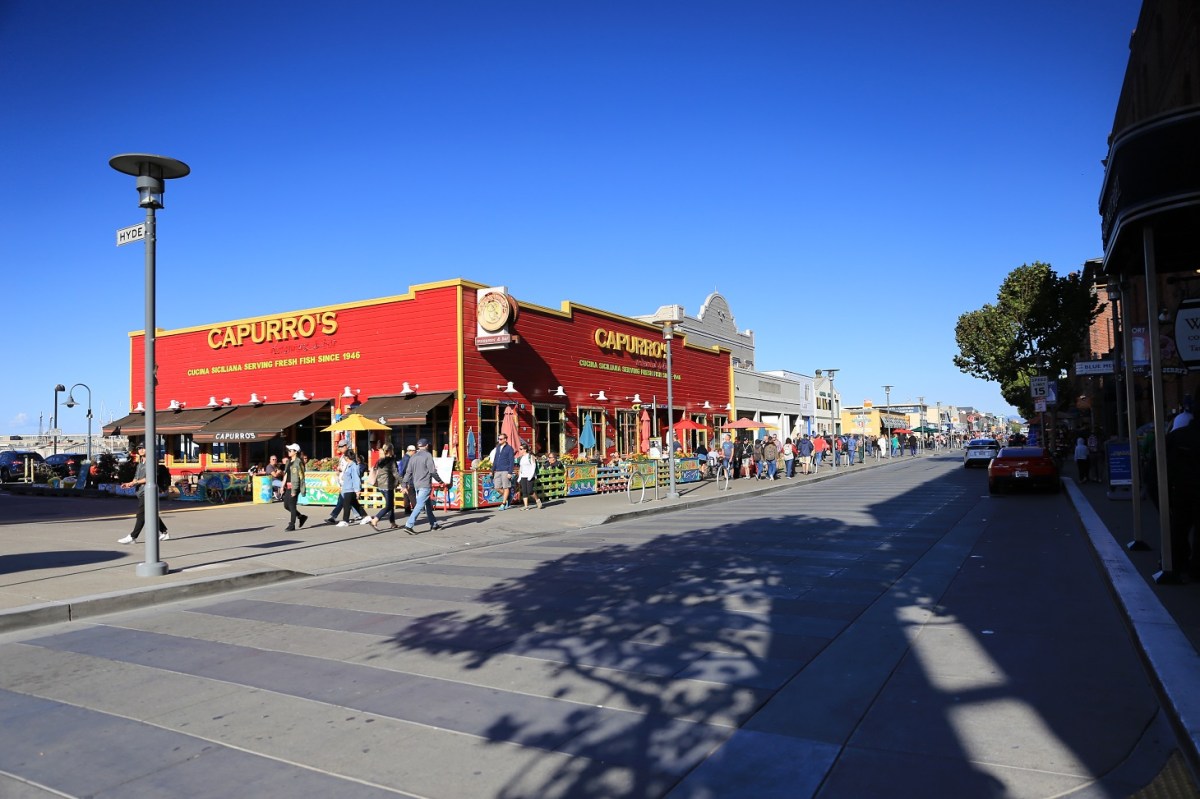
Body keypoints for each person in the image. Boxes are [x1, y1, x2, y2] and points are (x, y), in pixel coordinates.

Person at [117, 443, 168, 544]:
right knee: (151, 513)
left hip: (148, 492)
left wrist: (135, 482)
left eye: (142, 448)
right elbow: (136, 477)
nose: (140, 450)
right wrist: (129, 484)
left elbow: (150, 478)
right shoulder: (140, 464)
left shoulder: (152, 462)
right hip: (140, 491)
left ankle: (133, 536)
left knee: (141, 514)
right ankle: (164, 532)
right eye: (139, 448)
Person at [402, 438, 443, 534]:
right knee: (420, 505)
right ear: (427, 445)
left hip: (416, 484)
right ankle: (408, 525)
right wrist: (440, 481)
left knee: (427, 505)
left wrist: (404, 484)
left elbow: (408, 472)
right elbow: (432, 471)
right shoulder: (428, 455)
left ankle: (434, 524)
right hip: (425, 484)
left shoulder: (413, 456)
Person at [365, 443, 401, 529]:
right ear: (390, 450)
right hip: (388, 485)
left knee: (390, 504)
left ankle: (392, 522)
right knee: (388, 506)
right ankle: (375, 519)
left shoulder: (380, 460)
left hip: (381, 484)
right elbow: (395, 473)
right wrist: (403, 482)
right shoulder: (391, 461)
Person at [281, 443, 309, 531]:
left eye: (290, 450)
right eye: (288, 450)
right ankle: (301, 517)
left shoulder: (298, 462)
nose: (288, 452)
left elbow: (300, 477)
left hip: (295, 486)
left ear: (295, 452)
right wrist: (282, 486)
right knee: (286, 505)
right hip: (288, 486)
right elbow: (286, 474)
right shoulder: (288, 462)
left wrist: (295, 490)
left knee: (292, 505)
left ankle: (292, 525)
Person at [335, 449, 366, 527]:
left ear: (346, 457)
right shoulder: (349, 465)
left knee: (346, 505)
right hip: (346, 488)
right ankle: (366, 517)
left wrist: (357, 490)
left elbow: (356, 478)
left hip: (350, 489)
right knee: (355, 504)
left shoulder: (354, 466)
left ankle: (345, 520)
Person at [490, 433, 516, 510]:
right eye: (498, 439)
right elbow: (495, 459)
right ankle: (508, 496)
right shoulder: (498, 447)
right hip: (498, 470)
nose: (499, 440)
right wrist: (492, 470)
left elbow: (511, 461)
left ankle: (503, 503)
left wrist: (510, 472)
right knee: (497, 487)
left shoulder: (509, 448)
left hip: (505, 470)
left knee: (506, 487)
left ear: (505, 439)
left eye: (501, 439)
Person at [516, 443, 543, 510]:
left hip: (530, 476)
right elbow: (521, 468)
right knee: (524, 491)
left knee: (530, 491)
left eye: (521, 449)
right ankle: (526, 506)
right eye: (519, 449)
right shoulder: (521, 458)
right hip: (523, 476)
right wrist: (519, 477)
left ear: (525, 450)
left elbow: (533, 466)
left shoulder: (530, 456)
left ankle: (537, 500)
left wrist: (531, 476)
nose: (520, 450)